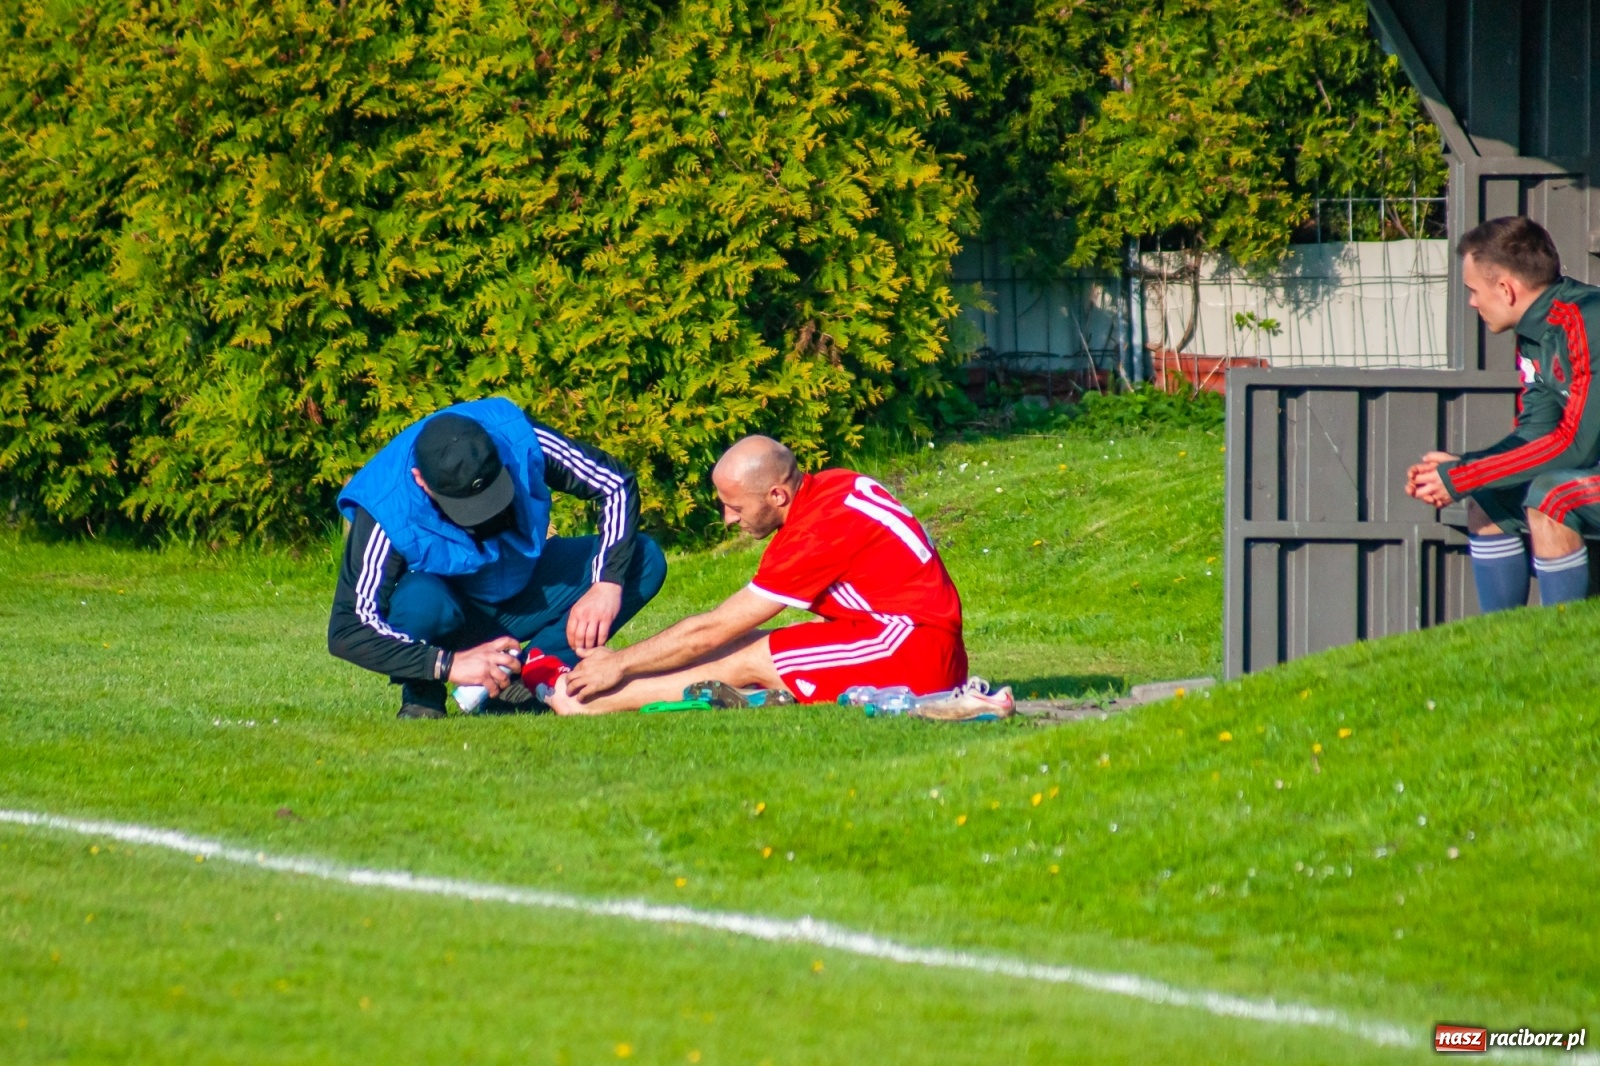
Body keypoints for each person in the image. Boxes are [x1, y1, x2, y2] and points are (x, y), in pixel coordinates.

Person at [547, 435, 1010, 718]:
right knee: (757, 644)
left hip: (913, 651)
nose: (728, 519)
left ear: (776, 493)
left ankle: (590, 704)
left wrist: (620, 663)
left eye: (736, 506)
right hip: (904, 635)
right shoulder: (835, 485)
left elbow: (715, 627)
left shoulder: (816, 532)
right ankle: (603, 689)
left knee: (748, 657)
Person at [328, 397, 666, 718]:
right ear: (421, 481)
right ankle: (423, 695)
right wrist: (447, 664)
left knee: (642, 559)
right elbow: (349, 628)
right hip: (449, 614)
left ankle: (528, 678)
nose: (483, 513)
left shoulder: (516, 437)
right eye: (464, 506)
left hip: (524, 585)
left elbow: (615, 484)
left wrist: (606, 583)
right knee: (422, 603)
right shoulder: (386, 503)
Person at [1407, 216, 1600, 610]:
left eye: (1473, 291)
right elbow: (1538, 430)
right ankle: (1500, 647)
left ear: (1506, 289)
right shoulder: (1535, 332)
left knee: (1553, 497)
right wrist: (1468, 468)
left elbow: (1576, 446)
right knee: (1487, 496)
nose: (1472, 302)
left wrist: (1462, 475)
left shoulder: (1586, 320)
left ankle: (1558, 651)